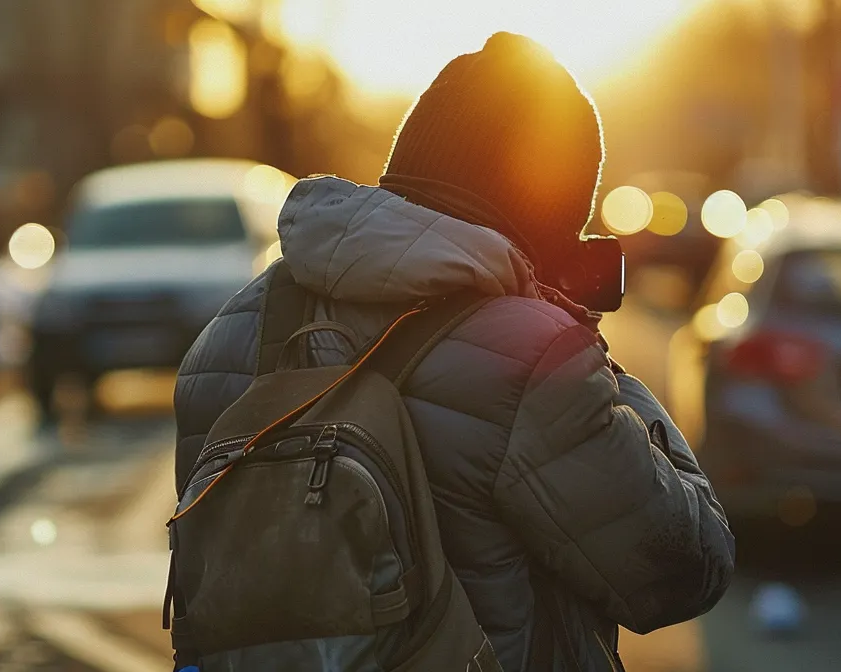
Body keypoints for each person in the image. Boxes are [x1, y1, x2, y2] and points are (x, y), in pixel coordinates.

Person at [174, 32, 734, 670]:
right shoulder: (538, 359)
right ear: (545, 224)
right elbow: (686, 565)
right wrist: (594, 351)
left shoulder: (225, 339)